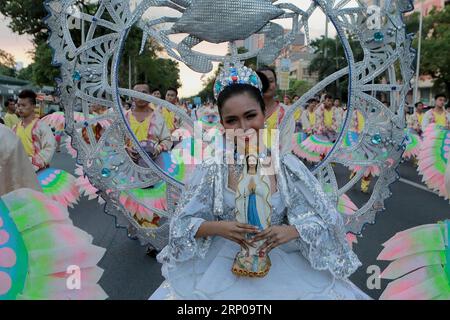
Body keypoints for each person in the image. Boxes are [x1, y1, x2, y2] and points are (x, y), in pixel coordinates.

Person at [150, 64, 368, 300]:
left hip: (284, 269)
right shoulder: (213, 168)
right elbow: (180, 227)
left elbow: (327, 220)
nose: (243, 128)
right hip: (219, 268)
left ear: (264, 113)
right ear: (222, 124)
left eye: (250, 115)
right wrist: (219, 228)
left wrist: (292, 231)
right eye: (232, 120)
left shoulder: (286, 166)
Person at [125, 84, 173, 161]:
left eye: (144, 92)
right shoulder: (124, 117)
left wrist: (157, 149)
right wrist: (126, 149)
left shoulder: (158, 117)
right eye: (137, 93)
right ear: (132, 96)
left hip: (154, 165)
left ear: (150, 95)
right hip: (128, 165)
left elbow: (167, 139)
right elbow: (115, 141)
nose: (141, 96)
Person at [12, 90, 56, 171]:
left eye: (24, 105)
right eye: (18, 105)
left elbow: (49, 148)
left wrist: (33, 162)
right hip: (18, 171)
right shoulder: (15, 128)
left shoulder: (42, 127)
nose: (20, 108)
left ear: (33, 106)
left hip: (38, 172)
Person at [0, 124, 42, 196]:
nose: (19, 111)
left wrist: (37, 161)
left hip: (31, 163)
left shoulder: (6, 134)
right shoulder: (14, 128)